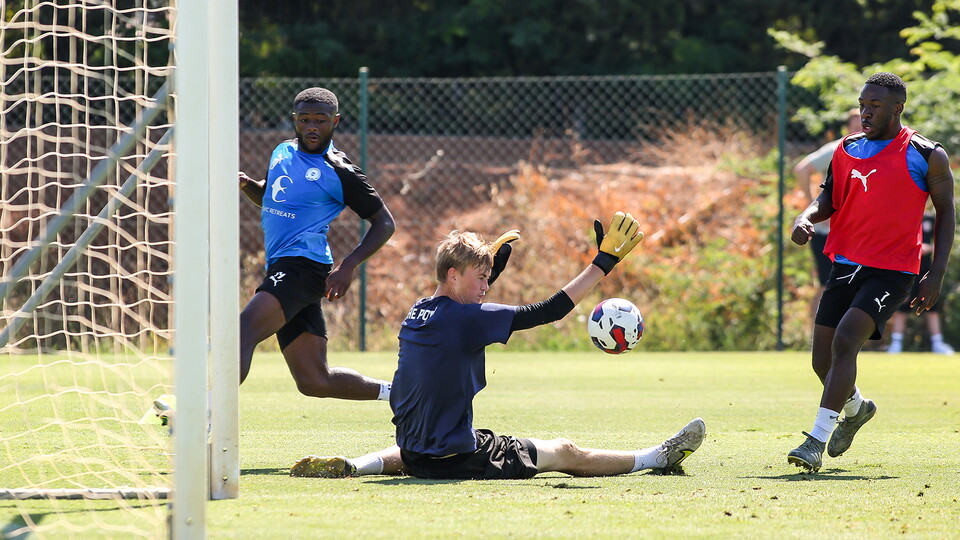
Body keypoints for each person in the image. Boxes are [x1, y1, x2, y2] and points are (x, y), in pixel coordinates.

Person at [288, 213, 706, 480]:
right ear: (453, 275)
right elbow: (550, 311)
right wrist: (604, 263)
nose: (486, 286)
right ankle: (656, 458)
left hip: (416, 452)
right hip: (457, 459)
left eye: (490, 278)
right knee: (564, 451)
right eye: (480, 279)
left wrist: (486, 271)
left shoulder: (418, 311)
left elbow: (465, 320)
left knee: (418, 447)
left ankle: (355, 465)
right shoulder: (467, 319)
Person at [788, 72, 956, 473]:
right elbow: (828, 196)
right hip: (846, 264)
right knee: (821, 361)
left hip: (893, 270)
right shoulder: (847, 149)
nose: (865, 112)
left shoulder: (926, 153)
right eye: (863, 104)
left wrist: (935, 274)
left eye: (875, 106)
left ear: (898, 108)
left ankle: (815, 440)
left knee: (846, 341)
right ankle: (858, 408)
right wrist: (806, 216)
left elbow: (947, 210)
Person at [237, 87, 396, 401]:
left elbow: (385, 224)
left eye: (320, 120)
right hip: (284, 266)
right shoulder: (281, 151)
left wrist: (348, 266)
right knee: (314, 381)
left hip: (303, 267)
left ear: (335, 121)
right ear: (294, 120)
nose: (312, 126)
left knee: (243, 331)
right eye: (305, 119)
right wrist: (247, 186)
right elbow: (271, 197)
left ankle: (204, 412)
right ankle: (404, 393)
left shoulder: (340, 171)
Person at [793, 109, 862, 318]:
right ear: (847, 127)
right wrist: (812, 205)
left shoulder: (874, 149)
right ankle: (816, 336)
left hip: (856, 233)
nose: (860, 127)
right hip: (828, 233)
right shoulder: (837, 149)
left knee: (854, 286)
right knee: (827, 285)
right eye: (855, 123)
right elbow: (802, 169)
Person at [888, 212, 955, 354]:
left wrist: (928, 248)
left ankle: (937, 343)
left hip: (926, 271)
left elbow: (940, 241)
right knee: (902, 308)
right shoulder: (904, 215)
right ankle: (896, 344)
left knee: (932, 308)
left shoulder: (930, 218)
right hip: (906, 270)